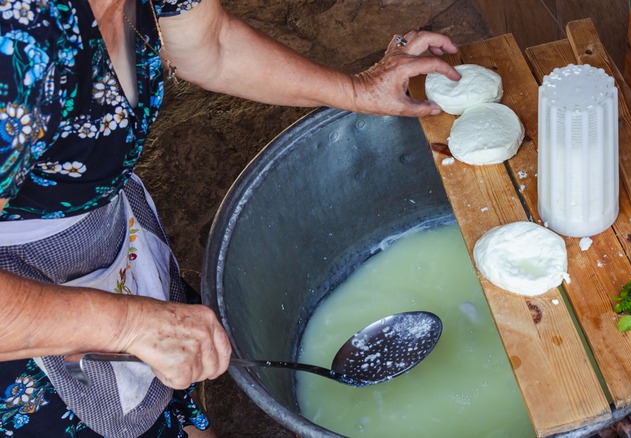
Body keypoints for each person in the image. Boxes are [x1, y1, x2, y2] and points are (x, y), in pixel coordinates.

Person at [0, 0, 460, 435]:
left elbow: (212, 44)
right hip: (25, 332)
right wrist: (127, 325)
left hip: (103, 245)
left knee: (170, 403)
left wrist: (358, 89)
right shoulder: (17, 44)